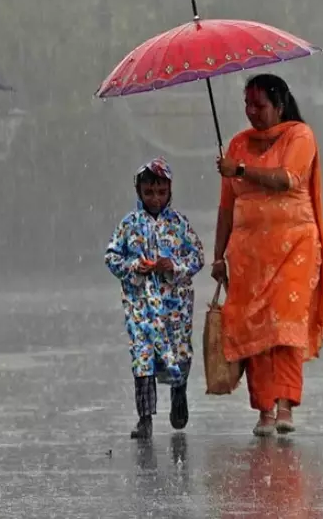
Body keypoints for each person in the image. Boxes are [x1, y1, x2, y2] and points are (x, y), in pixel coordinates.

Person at [211, 74, 323, 437]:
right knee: (254, 328)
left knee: (285, 326)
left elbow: (287, 179)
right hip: (248, 255)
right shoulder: (236, 144)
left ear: (279, 105)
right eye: (247, 105)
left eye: (260, 105)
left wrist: (239, 170)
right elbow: (226, 207)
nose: (252, 112)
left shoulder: (300, 135)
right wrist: (218, 256)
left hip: (294, 249)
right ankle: (264, 410)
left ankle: (285, 405)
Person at [105, 158, 204, 439]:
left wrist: (172, 266)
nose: (155, 199)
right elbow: (111, 257)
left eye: (161, 192)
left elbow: (197, 257)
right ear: (138, 191)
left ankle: (178, 393)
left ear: (170, 191)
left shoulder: (180, 224)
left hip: (176, 306)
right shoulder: (129, 224)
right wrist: (134, 267)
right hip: (141, 306)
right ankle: (145, 417)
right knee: (143, 357)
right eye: (149, 192)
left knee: (180, 352)